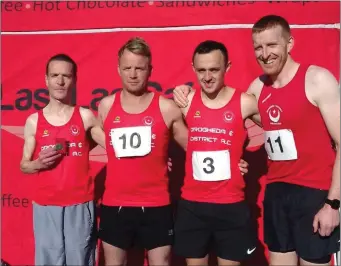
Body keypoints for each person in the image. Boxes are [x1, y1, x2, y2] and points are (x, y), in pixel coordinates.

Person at [173, 15, 340, 266]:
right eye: (258, 47)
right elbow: (229, 123)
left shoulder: (317, 79)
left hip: (314, 193)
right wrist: (234, 160)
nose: (265, 53)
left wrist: (333, 204)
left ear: (290, 43)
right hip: (276, 192)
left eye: (272, 45)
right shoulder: (257, 89)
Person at [94, 37, 249, 266]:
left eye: (140, 68)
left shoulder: (167, 108)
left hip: (157, 204)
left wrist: (232, 159)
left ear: (150, 70)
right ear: (119, 69)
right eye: (127, 68)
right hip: (115, 204)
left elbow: (196, 144)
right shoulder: (106, 106)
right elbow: (96, 134)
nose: (133, 74)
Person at [171, 40, 259, 266]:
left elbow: (283, 125)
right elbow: (160, 129)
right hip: (193, 205)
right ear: (193, 69)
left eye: (214, 69)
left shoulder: (246, 102)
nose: (207, 77)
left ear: (227, 67)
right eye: (201, 70)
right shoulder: (185, 101)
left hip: (230, 204)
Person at [20, 54, 104, 266]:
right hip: (46, 204)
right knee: (49, 261)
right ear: (46, 80)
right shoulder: (33, 121)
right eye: (54, 75)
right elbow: (24, 165)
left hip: (79, 203)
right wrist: (38, 163)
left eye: (66, 75)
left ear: (74, 79)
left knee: (80, 260)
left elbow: (115, 147)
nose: (60, 81)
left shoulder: (85, 116)